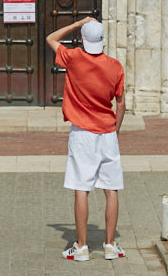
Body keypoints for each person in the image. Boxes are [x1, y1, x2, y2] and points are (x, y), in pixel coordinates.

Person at [47, 16, 126, 262]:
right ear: (102, 41)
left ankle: (82, 247)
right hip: (107, 132)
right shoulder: (115, 66)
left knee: (82, 187)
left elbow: (50, 38)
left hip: (82, 133)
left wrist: (78, 23)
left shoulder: (74, 59)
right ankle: (110, 245)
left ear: (83, 40)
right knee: (111, 188)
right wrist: (116, 130)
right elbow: (121, 102)